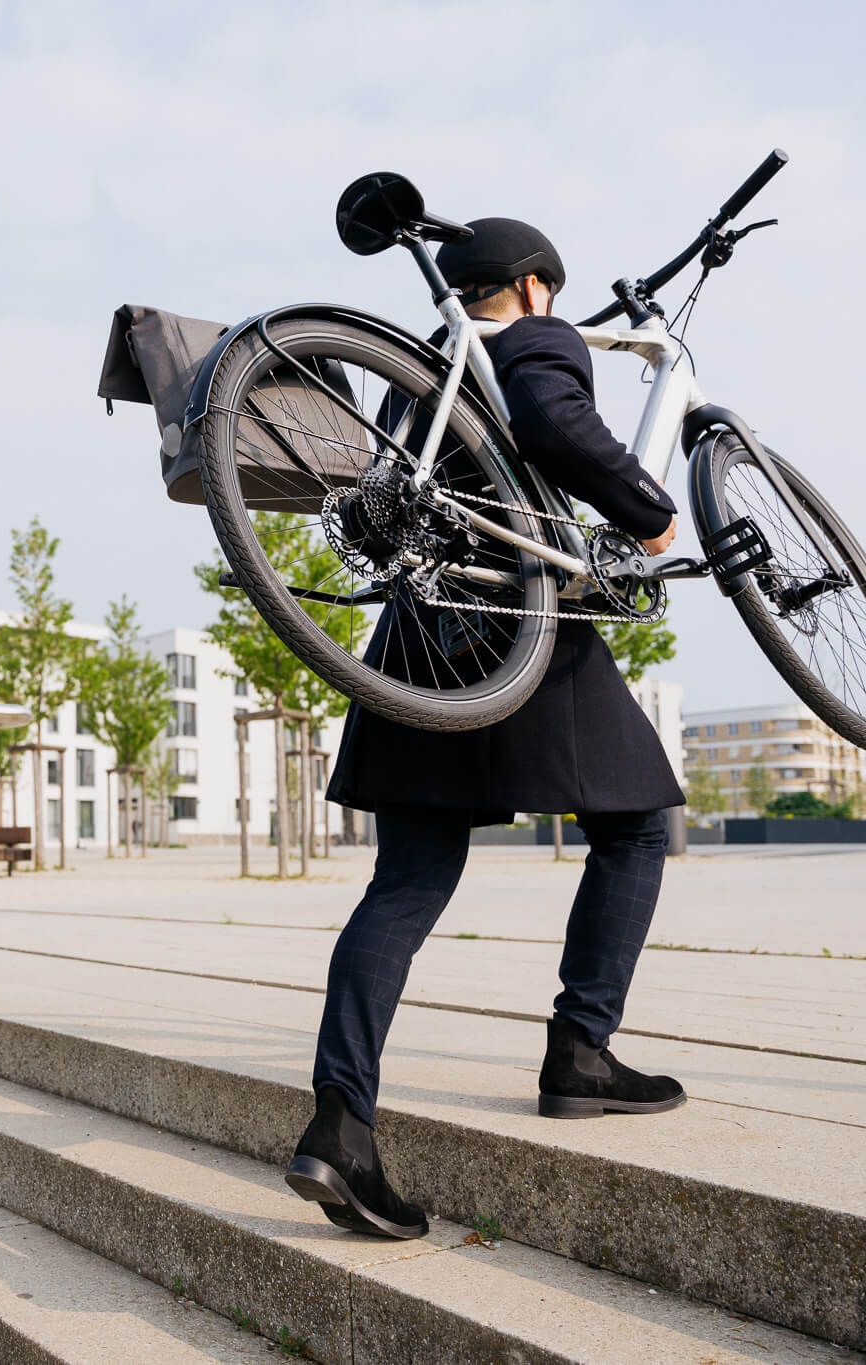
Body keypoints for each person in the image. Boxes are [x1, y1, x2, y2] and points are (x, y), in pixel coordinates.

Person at [285, 217, 688, 1240]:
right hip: (520, 633)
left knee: (407, 884)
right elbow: (555, 427)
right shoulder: (531, 339)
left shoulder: (413, 373)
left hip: (417, 648)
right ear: (533, 285)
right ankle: (579, 1051)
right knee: (637, 824)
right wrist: (646, 514)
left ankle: (340, 1126)